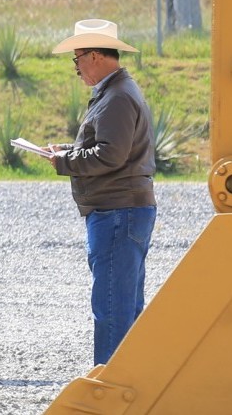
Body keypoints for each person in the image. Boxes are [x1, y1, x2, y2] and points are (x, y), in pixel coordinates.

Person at [41, 18, 156, 366]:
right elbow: (108, 147)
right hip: (122, 209)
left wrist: (64, 161)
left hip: (116, 211)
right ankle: (127, 380)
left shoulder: (117, 97)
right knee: (122, 304)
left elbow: (109, 154)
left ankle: (110, 385)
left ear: (94, 56)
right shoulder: (117, 92)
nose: (76, 68)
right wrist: (66, 150)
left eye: (76, 60)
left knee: (112, 307)